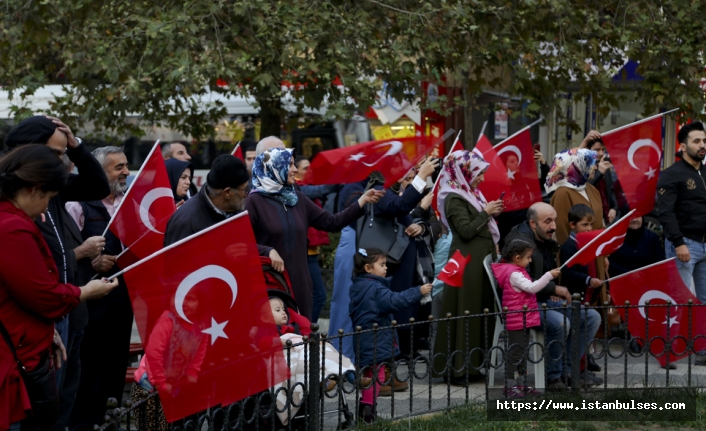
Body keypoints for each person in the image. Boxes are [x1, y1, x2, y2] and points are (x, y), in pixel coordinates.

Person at [0, 144, 118, 431]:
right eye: (50, 198)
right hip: (12, 359)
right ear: (33, 190)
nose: (46, 208)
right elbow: (42, 295)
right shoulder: (11, 228)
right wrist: (84, 292)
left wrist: (45, 329)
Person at [245, 148, 383, 319]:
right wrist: (267, 251)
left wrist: (362, 201)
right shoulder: (254, 201)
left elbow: (332, 222)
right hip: (271, 283)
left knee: (301, 335)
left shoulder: (297, 198)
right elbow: (242, 243)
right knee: (277, 337)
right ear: (274, 167)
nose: (295, 170)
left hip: (300, 283)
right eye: (289, 165)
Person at [65, 147, 135, 431]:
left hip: (122, 300)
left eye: (126, 165)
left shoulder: (128, 203)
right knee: (89, 368)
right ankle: (85, 422)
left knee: (115, 365)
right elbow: (66, 254)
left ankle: (112, 420)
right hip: (89, 303)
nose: (126, 172)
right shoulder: (78, 205)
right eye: (118, 167)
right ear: (99, 171)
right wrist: (90, 260)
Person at [505, 202, 600, 389]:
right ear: (533, 224)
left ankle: (569, 371)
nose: (554, 226)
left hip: (542, 299)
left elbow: (547, 273)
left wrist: (553, 289)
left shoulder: (543, 241)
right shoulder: (520, 243)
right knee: (559, 323)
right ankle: (554, 377)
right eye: (548, 221)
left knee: (591, 317)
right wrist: (554, 289)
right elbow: (525, 283)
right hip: (523, 304)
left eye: (554, 220)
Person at [432, 150, 503, 385]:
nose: (482, 178)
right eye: (479, 173)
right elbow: (465, 230)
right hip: (463, 264)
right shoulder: (453, 196)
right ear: (464, 171)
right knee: (462, 313)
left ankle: (472, 366)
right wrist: (486, 212)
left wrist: (488, 213)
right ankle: (456, 369)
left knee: (477, 313)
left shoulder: (469, 193)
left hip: (476, 264)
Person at [348, 248, 432, 424]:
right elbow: (395, 300)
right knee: (377, 377)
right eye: (382, 264)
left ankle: (366, 411)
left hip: (363, 339)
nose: (386, 268)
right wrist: (418, 291)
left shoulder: (358, 285)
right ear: (368, 268)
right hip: (375, 340)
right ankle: (367, 413)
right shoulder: (376, 288)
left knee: (368, 375)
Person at [163, 154, 279, 269]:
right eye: (245, 189)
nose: (247, 194)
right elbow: (175, 272)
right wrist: (223, 255)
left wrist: (267, 251)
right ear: (227, 193)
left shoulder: (235, 211)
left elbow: (241, 247)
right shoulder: (186, 221)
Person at [492, 239, 560, 397]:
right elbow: (532, 288)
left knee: (522, 353)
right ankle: (509, 387)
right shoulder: (514, 274)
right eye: (528, 257)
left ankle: (521, 384)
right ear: (517, 258)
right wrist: (549, 275)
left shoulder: (518, 271)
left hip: (523, 319)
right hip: (517, 320)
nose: (530, 260)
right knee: (515, 353)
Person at [130, 294, 208, 431]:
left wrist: (192, 371)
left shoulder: (202, 324)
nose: (182, 303)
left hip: (173, 384)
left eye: (190, 298)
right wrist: (160, 382)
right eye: (178, 297)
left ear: (201, 304)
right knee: (153, 426)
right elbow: (154, 353)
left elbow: (201, 347)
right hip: (149, 386)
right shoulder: (167, 321)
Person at [657, 121, 706, 304]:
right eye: (696, 141)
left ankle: (701, 334)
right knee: (681, 300)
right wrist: (678, 243)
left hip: (705, 244)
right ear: (683, 146)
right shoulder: (672, 174)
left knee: (704, 301)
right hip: (684, 244)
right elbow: (665, 212)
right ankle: (678, 335)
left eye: (704, 141)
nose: (702, 145)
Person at [545, 148, 607, 288]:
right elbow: (562, 231)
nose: (596, 167)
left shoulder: (592, 190)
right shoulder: (562, 193)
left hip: (595, 255)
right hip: (576, 259)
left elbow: (598, 223)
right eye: (591, 164)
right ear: (577, 166)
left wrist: (603, 254)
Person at [558, 204, 605, 375]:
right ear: (572, 225)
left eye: (591, 225)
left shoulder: (586, 243)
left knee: (585, 331)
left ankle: (581, 366)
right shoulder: (569, 247)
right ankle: (575, 367)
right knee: (577, 332)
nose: (589, 228)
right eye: (584, 225)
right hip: (574, 295)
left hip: (586, 294)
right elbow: (568, 273)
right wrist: (588, 280)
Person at [294, 155, 330, 323]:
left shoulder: (306, 188)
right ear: (296, 172)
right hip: (305, 252)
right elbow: (321, 190)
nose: (310, 172)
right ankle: (308, 332)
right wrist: (338, 182)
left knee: (313, 295)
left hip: (311, 251)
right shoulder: (299, 189)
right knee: (318, 295)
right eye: (305, 169)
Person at [583, 133, 629, 225]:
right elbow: (585, 189)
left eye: (603, 149)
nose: (601, 153)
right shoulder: (583, 166)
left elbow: (610, 190)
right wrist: (599, 173)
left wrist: (614, 208)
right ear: (588, 150)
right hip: (590, 217)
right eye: (597, 150)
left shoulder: (605, 165)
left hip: (606, 216)